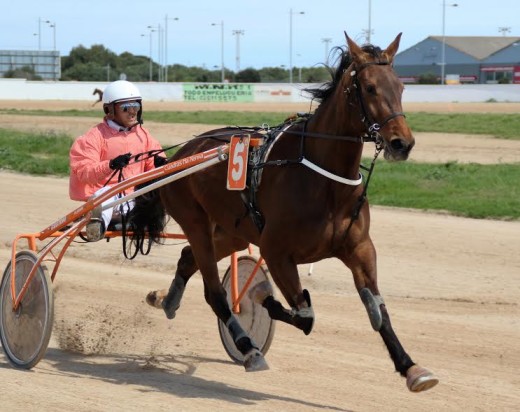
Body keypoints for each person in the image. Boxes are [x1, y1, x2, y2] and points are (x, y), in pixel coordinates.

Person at [69, 80, 166, 242]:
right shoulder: (93, 137)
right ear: (110, 110)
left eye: (136, 106)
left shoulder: (143, 135)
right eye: (126, 108)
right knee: (103, 194)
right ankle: (96, 224)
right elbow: (85, 173)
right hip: (107, 201)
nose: (132, 112)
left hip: (135, 199)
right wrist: (110, 165)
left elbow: (154, 165)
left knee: (161, 191)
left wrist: (161, 164)